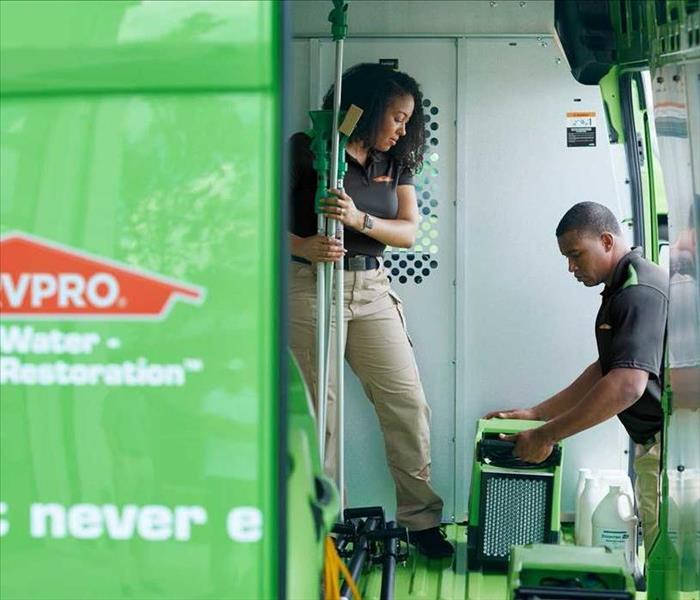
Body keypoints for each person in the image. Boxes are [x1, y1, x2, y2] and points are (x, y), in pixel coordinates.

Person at [288, 63, 452, 559]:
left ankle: (421, 520)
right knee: (322, 415)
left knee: (407, 404)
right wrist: (303, 246)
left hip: (373, 289)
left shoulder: (395, 162)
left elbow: (407, 231)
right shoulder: (308, 149)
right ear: (368, 109)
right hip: (312, 286)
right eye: (397, 118)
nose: (403, 129)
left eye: (408, 121)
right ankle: (323, 526)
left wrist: (360, 219)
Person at [487, 201, 668, 555]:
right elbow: (605, 369)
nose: (571, 267)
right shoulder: (621, 287)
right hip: (656, 440)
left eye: (576, 255)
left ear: (605, 240)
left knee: (665, 559)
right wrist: (537, 414)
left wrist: (546, 435)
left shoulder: (638, 291)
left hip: (670, 446)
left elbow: (627, 385)